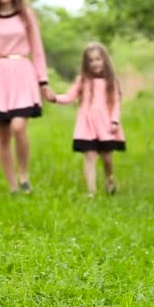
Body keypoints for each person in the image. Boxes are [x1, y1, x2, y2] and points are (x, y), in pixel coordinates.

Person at [0, 0, 54, 194]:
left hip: (22, 73)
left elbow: (37, 50)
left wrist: (43, 81)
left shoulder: (27, 16)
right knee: (2, 136)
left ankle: (23, 175)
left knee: (18, 126)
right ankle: (13, 186)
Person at [48, 42, 126, 197]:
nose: (95, 63)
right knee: (89, 156)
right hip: (87, 124)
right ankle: (91, 192)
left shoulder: (111, 81)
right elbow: (70, 96)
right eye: (91, 60)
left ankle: (109, 179)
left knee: (107, 157)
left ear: (104, 60)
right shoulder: (82, 80)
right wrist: (54, 98)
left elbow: (116, 102)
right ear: (86, 64)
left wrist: (114, 121)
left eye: (98, 59)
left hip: (106, 123)